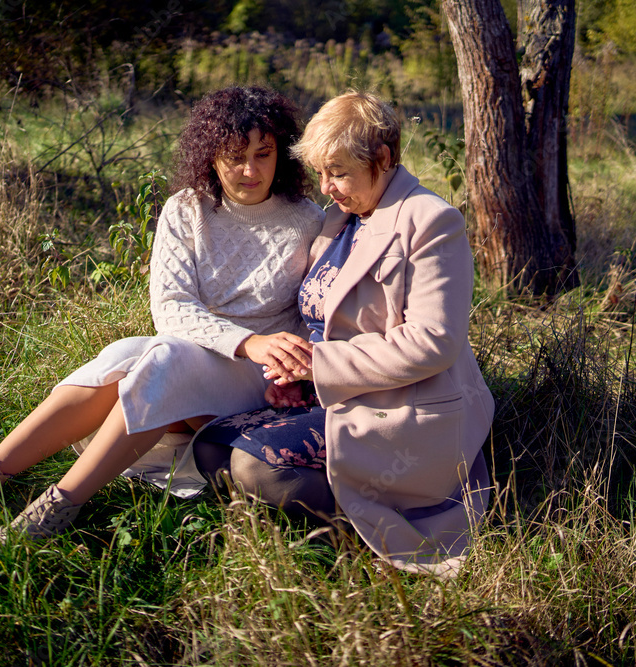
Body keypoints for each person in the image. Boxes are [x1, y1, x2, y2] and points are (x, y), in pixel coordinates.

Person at [0, 86, 324, 546]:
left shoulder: (308, 220)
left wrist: (293, 372)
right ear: (210, 156)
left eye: (262, 155)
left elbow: (315, 312)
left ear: (281, 155)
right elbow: (171, 308)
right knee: (122, 353)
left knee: (165, 357)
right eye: (234, 156)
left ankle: (52, 509)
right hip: (202, 352)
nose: (249, 170)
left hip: (257, 380)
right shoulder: (187, 209)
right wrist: (245, 340)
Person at [192, 91, 495, 577]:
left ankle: (374, 525)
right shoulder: (341, 217)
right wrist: (298, 377)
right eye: (321, 173)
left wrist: (320, 366)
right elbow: (323, 320)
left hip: (403, 410)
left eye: (339, 172)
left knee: (254, 469)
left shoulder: (432, 221)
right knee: (210, 446)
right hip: (335, 397)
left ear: (384, 159)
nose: (327, 187)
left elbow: (434, 341)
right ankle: (341, 503)